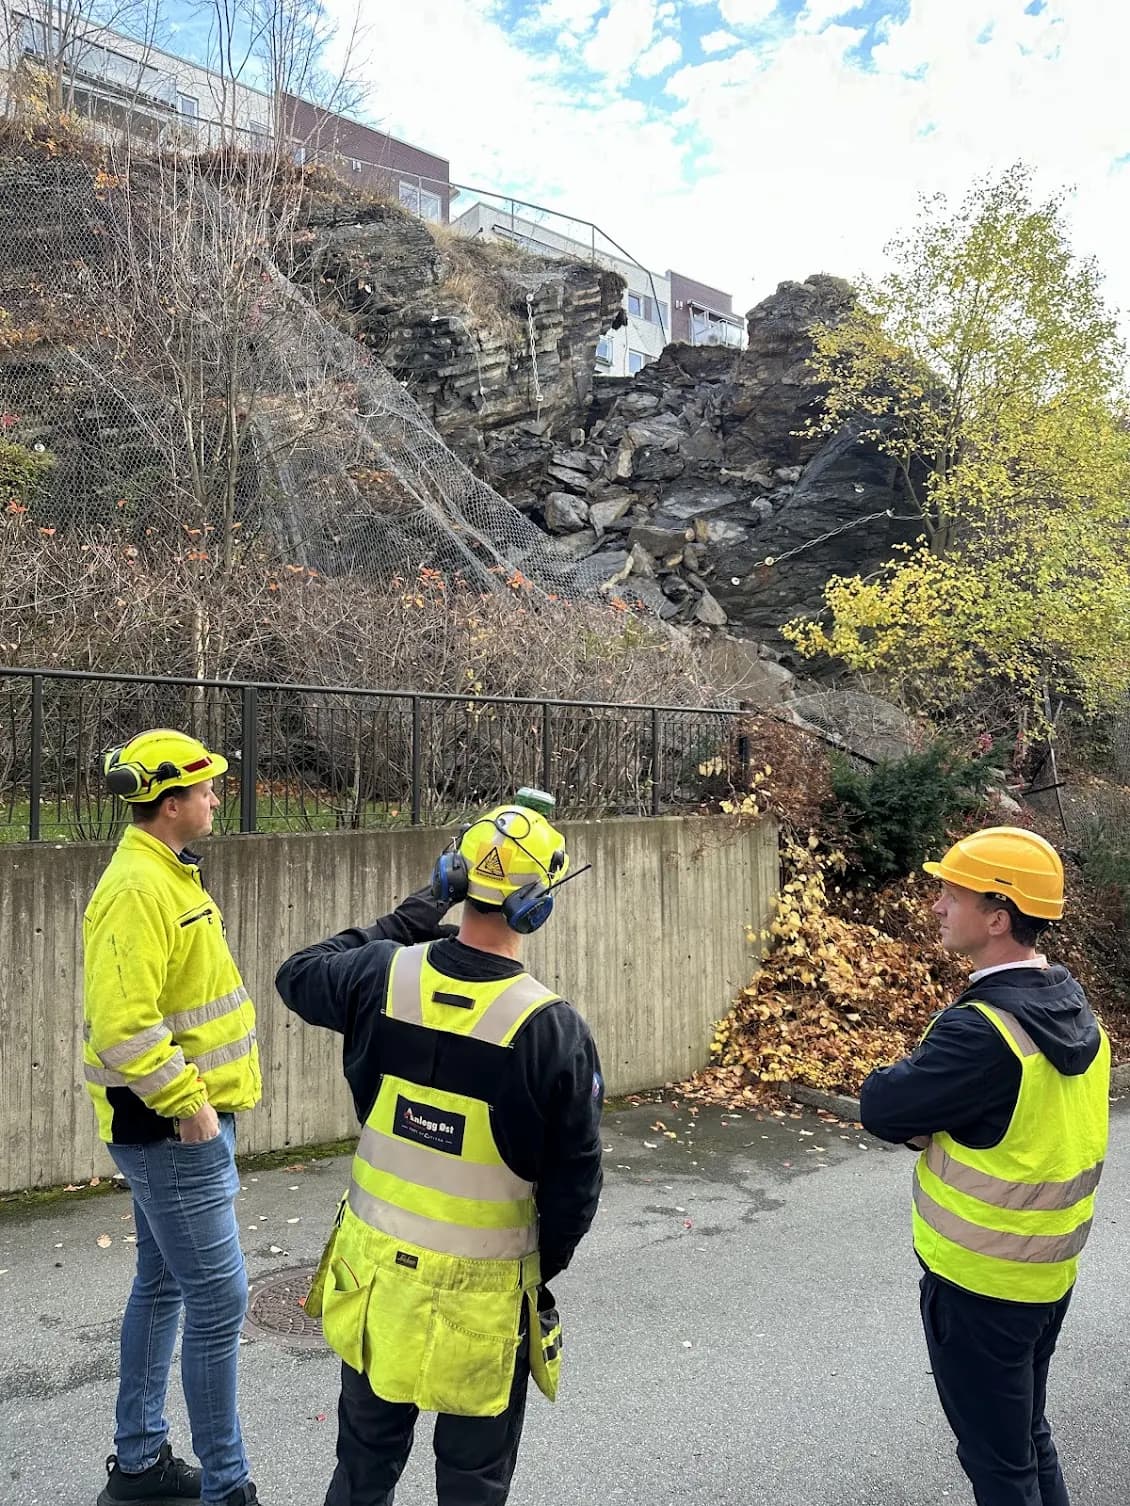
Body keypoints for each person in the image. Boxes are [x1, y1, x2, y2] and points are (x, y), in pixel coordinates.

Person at [275, 793, 604, 1506]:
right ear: (536, 906)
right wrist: (535, 1268)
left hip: (376, 1285)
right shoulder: (552, 1030)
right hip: (483, 1305)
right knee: (471, 1485)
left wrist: (414, 910)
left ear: (455, 881)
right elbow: (575, 1192)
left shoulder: (380, 975)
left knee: (363, 1469)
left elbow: (297, 973)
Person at [860, 826, 1109, 1506]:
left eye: (953, 893)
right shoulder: (1076, 1010)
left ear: (997, 918)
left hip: (978, 1288)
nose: (938, 905)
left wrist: (927, 1121)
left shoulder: (983, 1031)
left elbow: (882, 1106)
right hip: (1045, 1280)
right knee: (1026, 1440)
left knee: (999, 1466)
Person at [84, 729, 262, 1506]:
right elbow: (124, 1025)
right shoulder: (137, 887)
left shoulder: (168, 874)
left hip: (176, 1129)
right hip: (171, 1130)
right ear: (170, 803)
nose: (216, 798)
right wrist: (189, 1109)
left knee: (161, 1290)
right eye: (206, 789)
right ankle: (228, 1489)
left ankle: (141, 1467)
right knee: (219, 1305)